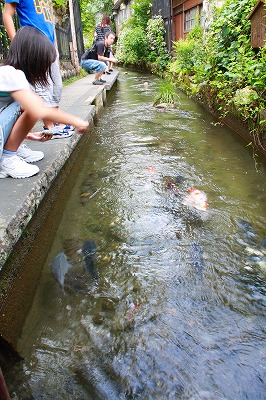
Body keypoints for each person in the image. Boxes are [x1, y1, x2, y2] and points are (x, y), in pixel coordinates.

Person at [0, 27, 89, 179]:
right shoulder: (10, 73)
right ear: (32, 58)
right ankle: (8, 158)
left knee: (28, 102)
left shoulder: (10, 74)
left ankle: (15, 147)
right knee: (33, 104)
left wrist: (27, 135)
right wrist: (76, 121)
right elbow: (38, 110)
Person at [3, 0, 70, 135]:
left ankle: (53, 120)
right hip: (33, 46)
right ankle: (49, 127)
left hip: (49, 47)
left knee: (56, 88)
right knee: (42, 88)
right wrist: (18, 44)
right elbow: (7, 14)